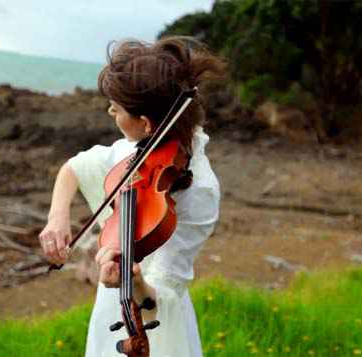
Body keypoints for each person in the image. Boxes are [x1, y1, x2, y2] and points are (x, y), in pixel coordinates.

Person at [38, 36, 224, 357]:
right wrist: (57, 217)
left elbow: (162, 298)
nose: (110, 110)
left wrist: (134, 283)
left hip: (157, 328)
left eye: (117, 107)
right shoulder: (134, 152)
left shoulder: (201, 192)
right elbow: (74, 168)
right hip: (110, 308)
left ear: (146, 123)